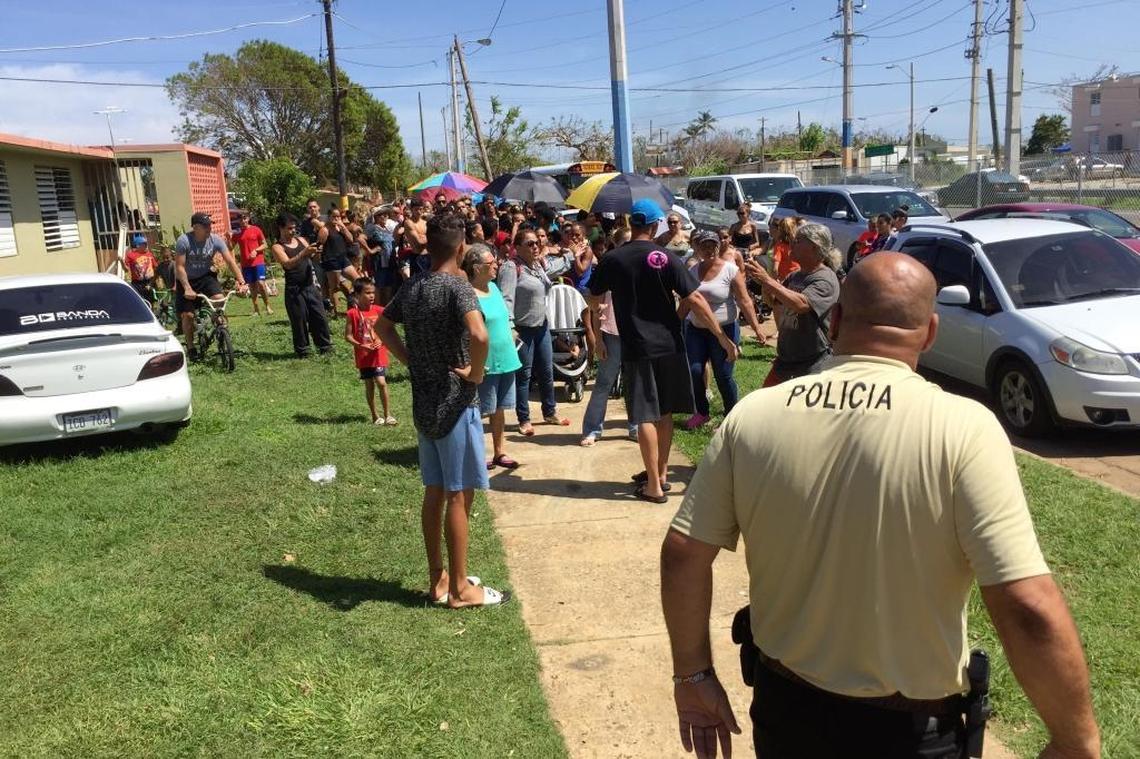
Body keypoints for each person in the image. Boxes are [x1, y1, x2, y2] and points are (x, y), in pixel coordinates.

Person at [660, 252, 1100, 759]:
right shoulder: (963, 428)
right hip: (911, 731)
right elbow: (1027, 605)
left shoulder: (754, 415)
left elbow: (683, 551)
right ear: (930, 332)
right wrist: (1076, 740)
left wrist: (692, 674)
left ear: (839, 319)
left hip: (787, 713)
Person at [374, 214, 507, 609]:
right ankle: (462, 590)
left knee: (434, 491)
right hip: (456, 402)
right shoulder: (458, 287)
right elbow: (479, 334)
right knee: (459, 495)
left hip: (424, 403)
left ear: (428, 245)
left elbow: (382, 326)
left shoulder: (413, 285)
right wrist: (477, 374)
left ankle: (439, 579)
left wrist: (411, 360)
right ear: (462, 245)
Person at [587, 199, 737, 504]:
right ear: (655, 225)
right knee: (665, 411)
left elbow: (593, 296)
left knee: (644, 414)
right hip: (670, 343)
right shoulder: (665, 257)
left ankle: (653, 484)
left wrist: (598, 314)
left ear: (632, 224)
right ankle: (663, 473)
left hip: (637, 347)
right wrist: (721, 337)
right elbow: (694, 299)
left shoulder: (613, 259)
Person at [680, 231, 766, 430]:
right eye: (704, 246)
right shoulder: (692, 272)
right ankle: (702, 413)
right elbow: (686, 302)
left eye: (712, 245)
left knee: (723, 374)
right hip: (696, 329)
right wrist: (673, 324)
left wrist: (756, 327)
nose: (709, 249)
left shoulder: (730, 270)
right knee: (694, 370)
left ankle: (731, 415)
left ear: (718, 247)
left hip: (725, 330)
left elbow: (744, 300)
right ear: (698, 248)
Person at [746, 223, 841, 387]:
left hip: (812, 363)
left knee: (801, 410)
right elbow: (775, 303)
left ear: (814, 246)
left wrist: (767, 281)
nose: (792, 243)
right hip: (785, 359)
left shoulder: (825, 279)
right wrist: (765, 285)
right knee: (768, 403)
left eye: (798, 241)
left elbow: (801, 304)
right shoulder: (795, 276)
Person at [497, 228, 570, 436]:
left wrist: (570, 253)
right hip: (522, 330)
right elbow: (506, 299)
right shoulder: (512, 268)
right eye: (530, 243)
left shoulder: (537, 265)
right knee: (524, 376)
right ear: (517, 247)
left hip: (542, 326)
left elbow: (556, 268)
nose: (536, 246)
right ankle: (524, 419)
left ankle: (550, 412)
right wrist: (510, 326)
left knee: (547, 371)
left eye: (537, 242)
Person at [462, 243, 523, 471]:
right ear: (477, 268)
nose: (496, 266)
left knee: (499, 410)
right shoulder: (468, 293)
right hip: (485, 362)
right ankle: (478, 454)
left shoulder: (494, 288)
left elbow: (504, 318)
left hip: (506, 358)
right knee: (480, 410)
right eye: (491, 263)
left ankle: (500, 451)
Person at [174, 213, 248, 356]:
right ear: (196, 227)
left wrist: (241, 282)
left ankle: (221, 327)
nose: (209, 228)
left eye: (210, 225)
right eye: (206, 226)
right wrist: (187, 288)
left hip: (205, 277)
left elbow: (230, 262)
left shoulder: (215, 240)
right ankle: (191, 348)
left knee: (219, 300)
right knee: (188, 315)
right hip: (186, 280)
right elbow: (180, 267)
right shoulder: (184, 241)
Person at [271, 213, 333, 357]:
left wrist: (317, 251)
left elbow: (314, 258)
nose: (293, 231)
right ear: (281, 228)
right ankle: (303, 351)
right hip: (294, 289)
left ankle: (324, 346)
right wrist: (304, 253)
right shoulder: (277, 247)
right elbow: (287, 264)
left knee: (319, 317)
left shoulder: (301, 240)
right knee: (299, 321)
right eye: (289, 228)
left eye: (294, 228)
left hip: (309, 286)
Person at [345, 278, 393, 425]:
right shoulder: (352, 313)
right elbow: (348, 336)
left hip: (378, 354)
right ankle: (375, 415)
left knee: (381, 382)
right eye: (367, 293)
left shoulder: (379, 310)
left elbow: (388, 330)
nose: (371, 295)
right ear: (357, 295)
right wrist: (361, 346)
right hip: (364, 355)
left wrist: (382, 340)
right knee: (369, 384)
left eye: (373, 292)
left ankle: (388, 414)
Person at [318, 206, 363, 318]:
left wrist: (343, 227)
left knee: (357, 280)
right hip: (331, 260)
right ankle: (334, 311)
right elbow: (320, 244)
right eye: (334, 216)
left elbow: (351, 239)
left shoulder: (340, 228)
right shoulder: (325, 229)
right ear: (329, 217)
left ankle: (353, 304)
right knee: (335, 287)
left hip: (343, 259)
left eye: (338, 216)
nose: (336, 218)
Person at [233, 212, 272, 315]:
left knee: (261, 283)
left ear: (248, 218)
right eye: (240, 219)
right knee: (252, 287)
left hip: (258, 262)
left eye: (244, 218)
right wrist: (228, 238)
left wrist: (256, 251)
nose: (243, 221)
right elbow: (230, 248)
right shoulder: (237, 233)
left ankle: (267, 306)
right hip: (246, 264)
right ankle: (256, 309)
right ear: (238, 221)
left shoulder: (256, 229)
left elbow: (265, 245)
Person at [125, 233, 157, 305]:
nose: (146, 246)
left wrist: (153, 282)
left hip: (149, 281)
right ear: (138, 246)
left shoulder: (149, 254)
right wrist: (121, 262)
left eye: (146, 244)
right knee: (140, 301)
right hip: (138, 283)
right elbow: (126, 269)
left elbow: (155, 267)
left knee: (151, 300)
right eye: (144, 244)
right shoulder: (131, 255)